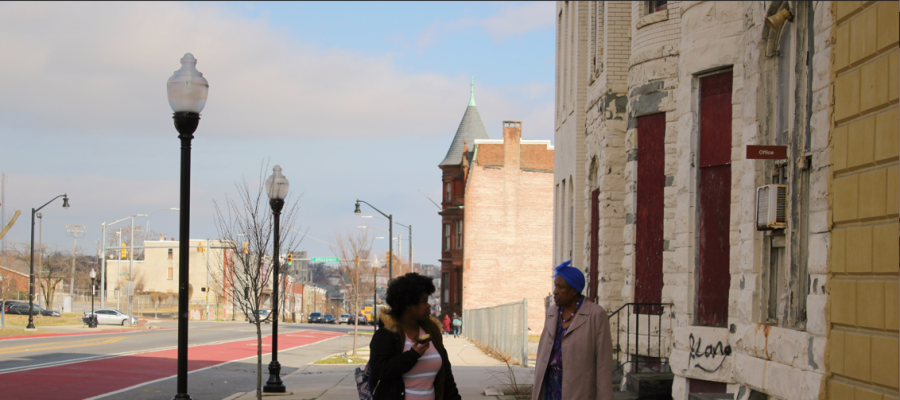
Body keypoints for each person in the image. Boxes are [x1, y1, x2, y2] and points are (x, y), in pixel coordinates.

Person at [369, 272, 461, 400]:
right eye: (424, 301)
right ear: (408, 305)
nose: (429, 305)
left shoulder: (432, 333)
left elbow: (447, 379)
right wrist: (412, 356)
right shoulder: (386, 335)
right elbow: (379, 370)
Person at [532, 260, 613, 400]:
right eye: (555, 286)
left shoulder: (595, 315)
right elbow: (542, 355)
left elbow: (603, 364)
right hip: (550, 385)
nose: (555, 292)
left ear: (574, 290)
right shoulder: (552, 313)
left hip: (579, 389)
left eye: (560, 287)